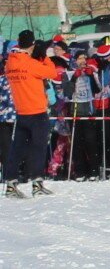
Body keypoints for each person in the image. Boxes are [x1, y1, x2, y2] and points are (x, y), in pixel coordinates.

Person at [5, 32, 62, 197]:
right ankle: (37, 183)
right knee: (38, 148)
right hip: (37, 111)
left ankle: (11, 182)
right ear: (32, 45)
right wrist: (43, 57)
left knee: (17, 149)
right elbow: (52, 73)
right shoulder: (30, 64)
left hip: (21, 111)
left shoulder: (10, 63)